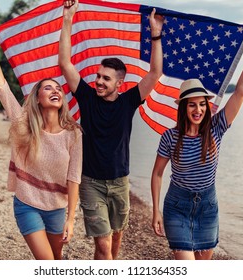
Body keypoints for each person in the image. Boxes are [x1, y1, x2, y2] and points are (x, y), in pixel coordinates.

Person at [58, 0, 164, 259]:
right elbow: (64, 63)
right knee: (103, 244)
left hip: (120, 182)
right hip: (91, 182)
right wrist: (68, 18)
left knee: (116, 239)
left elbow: (155, 72)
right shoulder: (86, 97)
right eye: (98, 76)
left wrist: (155, 34)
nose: (99, 81)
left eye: (106, 78)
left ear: (120, 83)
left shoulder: (129, 101)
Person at [151, 27, 243, 260]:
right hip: (177, 207)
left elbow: (241, 92)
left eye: (202, 104)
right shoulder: (170, 137)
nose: (198, 109)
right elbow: (158, 174)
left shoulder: (216, 128)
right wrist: (155, 211)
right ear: (183, 107)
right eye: (192, 104)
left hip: (207, 208)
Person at [0, 27, 82, 260]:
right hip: (27, 204)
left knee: (57, 259)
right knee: (46, 262)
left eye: (58, 89)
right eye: (48, 88)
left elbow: (74, 177)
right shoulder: (22, 125)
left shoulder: (74, 134)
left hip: (57, 207)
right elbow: (2, 89)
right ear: (37, 98)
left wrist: (70, 219)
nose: (55, 90)